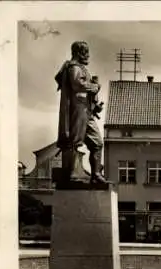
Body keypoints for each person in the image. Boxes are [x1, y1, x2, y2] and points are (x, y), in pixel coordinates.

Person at [54, 41, 108, 185]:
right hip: (77, 111)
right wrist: (94, 86)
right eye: (86, 52)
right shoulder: (74, 67)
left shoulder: (82, 68)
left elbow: (84, 92)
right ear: (79, 53)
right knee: (74, 142)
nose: (88, 55)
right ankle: (70, 174)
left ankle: (95, 174)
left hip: (87, 112)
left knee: (97, 143)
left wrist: (95, 106)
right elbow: (77, 85)